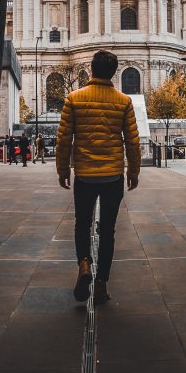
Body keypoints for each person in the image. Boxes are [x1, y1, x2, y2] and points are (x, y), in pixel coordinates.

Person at [56, 49, 140, 305]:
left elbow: (64, 140)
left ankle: (83, 264)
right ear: (114, 72)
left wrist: (63, 170)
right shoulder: (124, 101)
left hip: (84, 174)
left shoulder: (74, 98)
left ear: (91, 69)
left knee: (82, 224)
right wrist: (133, 171)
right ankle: (101, 283)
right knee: (107, 230)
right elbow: (132, 142)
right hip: (112, 175)